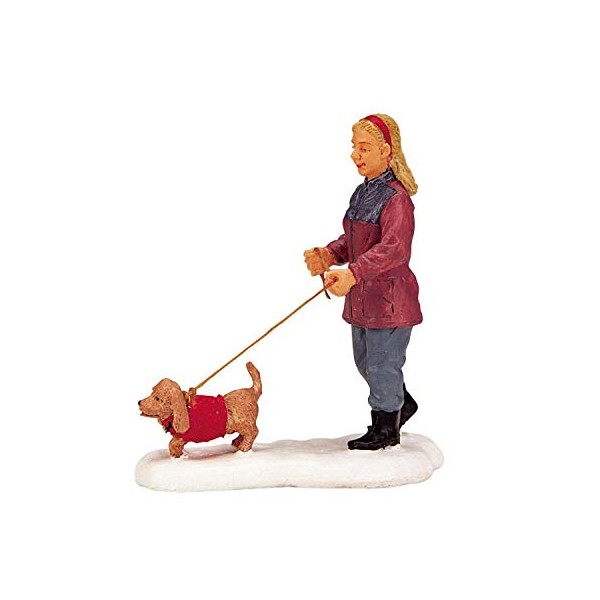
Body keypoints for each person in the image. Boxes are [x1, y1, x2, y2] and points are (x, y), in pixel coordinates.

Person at [304, 114, 422, 450]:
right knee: (365, 362)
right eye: (354, 147)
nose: (355, 154)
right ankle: (400, 404)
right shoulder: (362, 193)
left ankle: (386, 429)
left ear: (385, 151)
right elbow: (354, 241)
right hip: (363, 300)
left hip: (389, 301)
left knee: (382, 364)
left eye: (364, 148)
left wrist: (353, 273)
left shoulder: (397, 199)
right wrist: (329, 254)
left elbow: (394, 249)